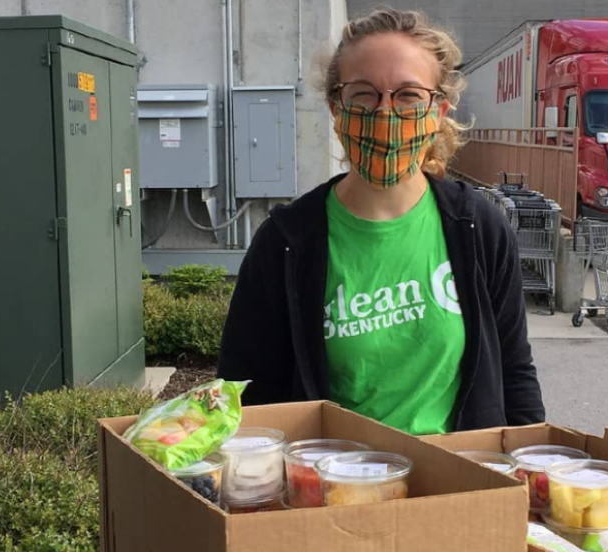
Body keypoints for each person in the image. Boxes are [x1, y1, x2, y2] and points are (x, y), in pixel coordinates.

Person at [218, 8, 544, 434]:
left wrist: (530, 475)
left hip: (463, 485)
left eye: (408, 95)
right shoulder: (286, 242)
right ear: (337, 108)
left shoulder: (478, 226)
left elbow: (514, 370)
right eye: (364, 94)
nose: (385, 113)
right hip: (334, 489)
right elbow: (245, 392)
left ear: (437, 110)